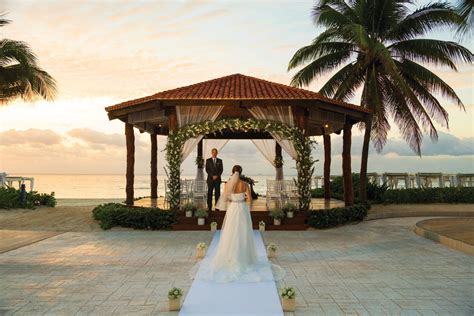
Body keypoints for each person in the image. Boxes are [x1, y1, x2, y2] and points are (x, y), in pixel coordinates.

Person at [191, 165, 285, 283]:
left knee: (231, 231)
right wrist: (245, 204)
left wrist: (232, 200)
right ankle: (244, 257)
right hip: (242, 209)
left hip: (233, 209)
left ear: (232, 172)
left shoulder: (228, 184)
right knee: (243, 231)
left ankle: (230, 256)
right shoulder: (245, 184)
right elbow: (250, 199)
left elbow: (224, 199)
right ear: (241, 172)